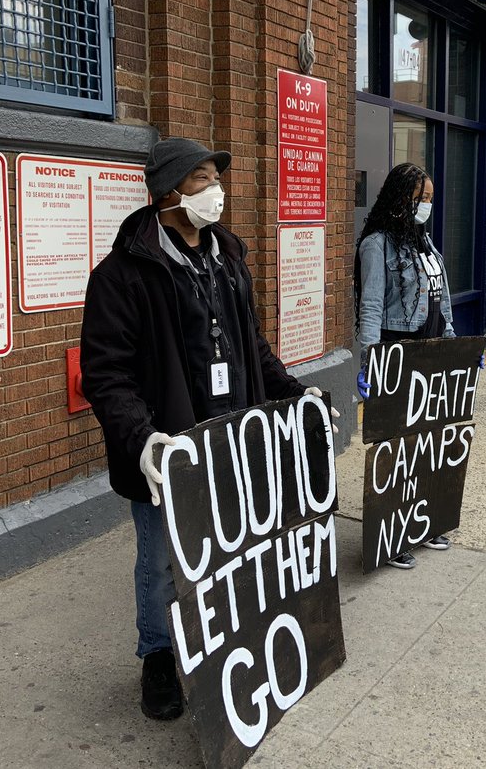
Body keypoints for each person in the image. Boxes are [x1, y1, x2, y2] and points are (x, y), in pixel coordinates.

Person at [80, 138, 335, 721]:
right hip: (169, 448)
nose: (215, 190)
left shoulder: (228, 259)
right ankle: (159, 659)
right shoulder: (122, 275)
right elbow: (107, 373)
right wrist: (142, 439)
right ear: (169, 191)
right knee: (163, 561)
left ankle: (224, 647)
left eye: (216, 176)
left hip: (234, 441)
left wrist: (297, 394)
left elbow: (253, 349)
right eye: (201, 178)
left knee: (231, 555)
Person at [355, 161, 456, 570]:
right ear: (400, 199)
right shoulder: (377, 244)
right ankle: (391, 533)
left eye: (430, 199)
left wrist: (456, 345)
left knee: (427, 443)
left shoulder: (425, 244)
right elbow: (372, 306)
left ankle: (422, 520)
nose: (426, 206)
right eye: (420, 199)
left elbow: (441, 297)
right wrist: (369, 360)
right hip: (399, 352)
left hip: (431, 352)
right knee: (395, 448)